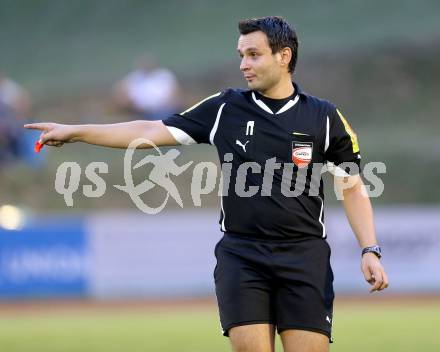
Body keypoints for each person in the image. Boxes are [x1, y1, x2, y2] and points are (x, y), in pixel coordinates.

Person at [25, 16, 389, 352]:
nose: (243, 64)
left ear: (284, 56)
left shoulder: (324, 117)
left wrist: (369, 249)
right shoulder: (225, 108)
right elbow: (151, 130)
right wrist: (77, 132)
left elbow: (352, 186)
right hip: (242, 255)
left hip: (305, 256)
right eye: (241, 55)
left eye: (253, 54)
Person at [113, 54, 181, 120]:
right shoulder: (135, 76)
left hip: (163, 109)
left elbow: (174, 92)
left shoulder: (164, 75)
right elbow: (121, 88)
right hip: (139, 111)